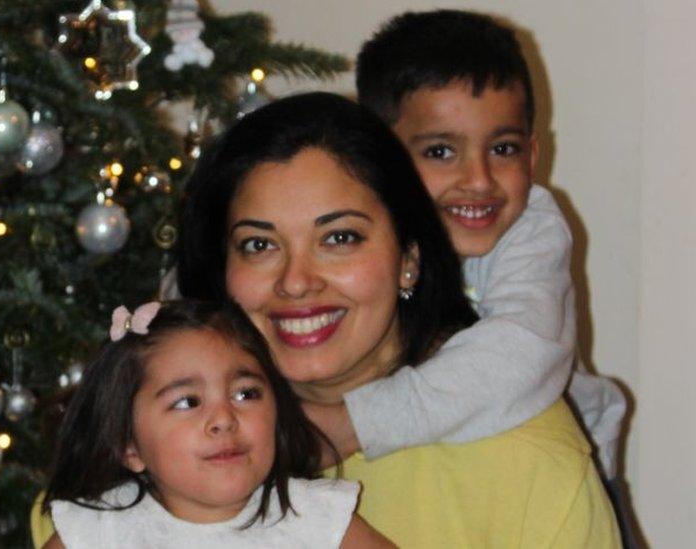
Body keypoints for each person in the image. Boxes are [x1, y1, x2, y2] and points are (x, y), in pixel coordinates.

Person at [177, 91, 620, 546]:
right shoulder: (175, 443)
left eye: (340, 238)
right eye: (258, 245)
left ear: (408, 258)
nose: (296, 282)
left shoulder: (528, 463)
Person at [35, 300, 392, 548]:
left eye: (246, 394)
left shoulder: (316, 518)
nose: (223, 419)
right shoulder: (99, 532)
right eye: (188, 402)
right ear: (129, 446)